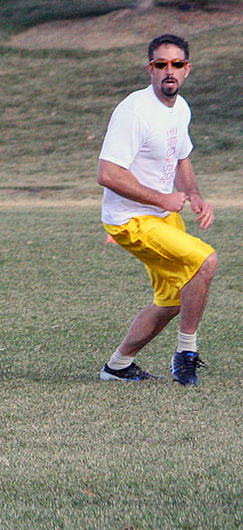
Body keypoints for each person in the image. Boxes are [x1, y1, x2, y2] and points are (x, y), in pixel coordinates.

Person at [97, 34, 216, 386]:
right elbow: (107, 173)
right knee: (205, 261)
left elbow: (181, 157)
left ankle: (118, 366)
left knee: (178, 297)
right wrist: (162, 199)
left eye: (176, 64)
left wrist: (194, 195)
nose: (169, 70)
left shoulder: (180, 108)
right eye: (161, 64)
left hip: (162, 217)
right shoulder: (134, 112)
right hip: (130, 220)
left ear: (187, 70)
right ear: (150, 68)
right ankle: (186, 353)